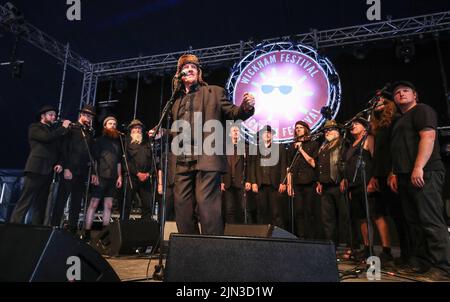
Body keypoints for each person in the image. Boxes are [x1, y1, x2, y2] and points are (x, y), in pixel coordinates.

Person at [166, 54, 255, 235]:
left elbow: (232, 112)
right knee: (182, 209)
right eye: (186, 67)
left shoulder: (214, 92)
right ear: (179, 75)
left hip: (206, 157)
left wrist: (246, 107)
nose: (190, 69)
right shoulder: (175, 102)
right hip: (182, 160)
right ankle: (191, 249)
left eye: (193, 67)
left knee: (207, 208)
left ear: (199, 73)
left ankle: (212, 252)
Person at [389, 81, 450, 279]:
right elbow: (397, 149)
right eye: (397, 92)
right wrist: (394, 173)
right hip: (405, 176)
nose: (400, 94)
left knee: (431, 221)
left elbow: (428, 138)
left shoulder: (422, 110)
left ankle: (443, 267)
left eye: (405, 90)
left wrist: (418, 167)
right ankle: (422, 263)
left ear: (415, 95)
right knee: (414, 223)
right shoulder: (399, 120)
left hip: (426, 172)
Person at [10, 105, 70, 225]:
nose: (54, 117)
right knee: (26, 199)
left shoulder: (53, 131)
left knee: (41, 203)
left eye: (54, 115)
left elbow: (57, 149)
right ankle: (14, 225)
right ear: (43, 116)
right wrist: (63, 128)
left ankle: (36, 228)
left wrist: (59, 163)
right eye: (51, 114)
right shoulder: (35, 127)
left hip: (48, 171)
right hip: (35, 168)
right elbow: (46, 138)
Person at [368, 93, 409, 264]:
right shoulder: (377, 128)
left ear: (388, 103)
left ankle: (409, 254)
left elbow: (397, 149)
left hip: (394, 173)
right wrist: (374, 175)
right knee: (392, 214)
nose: (377, 103)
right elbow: (375, 154)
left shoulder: (396, 120)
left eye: (381, 101)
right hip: (381, 174)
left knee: (402, 215)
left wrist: (393, 171)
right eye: (374, 102)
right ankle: (403, 254)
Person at [51, 104, 95, 233]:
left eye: (90, 116)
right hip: (69, 169)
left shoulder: (89, 133)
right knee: (61, 200)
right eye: (86, 115)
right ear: (81, 115)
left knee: (76, 202)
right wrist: (65, 167)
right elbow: (64, 148)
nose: (88, 118)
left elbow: (89, 154)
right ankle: (54, 228)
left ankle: (72, 229)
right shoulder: (72, 128)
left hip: (82, 172)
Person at [83, 116, 123, 242]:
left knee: (109, 205)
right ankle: (87, 233)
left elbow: (118, 162)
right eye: (110, 123)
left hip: (112, 178)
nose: (113, 125)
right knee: (93, 204)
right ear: (105, 126)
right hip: (100, 176)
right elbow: (94, 159)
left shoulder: (118, 142)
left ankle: (104, 234)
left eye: (115, 124)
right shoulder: (99, 141)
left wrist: (120, 176)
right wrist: (94, 174)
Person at [316, 120, 352, 253]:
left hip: (338, 184)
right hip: (325, 186)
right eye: (326, 130)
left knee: (344, 216)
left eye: (331, 129)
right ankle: (331, 245)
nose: (328, 132)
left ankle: (350, 246)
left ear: (338, 131)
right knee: (327, 218)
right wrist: (319, 181)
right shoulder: (323, 146)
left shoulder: (344, 143)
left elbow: (347, 162)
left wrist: (345, 178)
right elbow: (320, 165)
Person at [287, 121, 320, 239]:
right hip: (297, 183)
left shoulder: (313, 144)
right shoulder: (292, 146)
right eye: (296, 128)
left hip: (309, 182)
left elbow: (313, 163)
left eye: (301, 127)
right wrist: (289, 184)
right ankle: (301, 237)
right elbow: (289, 168)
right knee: (298, 211)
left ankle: (311, 237)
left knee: (309, 211)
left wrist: (301, 150)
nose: (298, 129)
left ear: (306, 129)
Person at [250, 125, 287, 228]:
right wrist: (253, 182)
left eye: (269, 133)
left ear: (272, 135)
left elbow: (284, 165)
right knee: (262, 212)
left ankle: (278, 236)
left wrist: (283, 182)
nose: (267, 134)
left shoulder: (279, 148)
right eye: (264, 133)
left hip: (274, 185)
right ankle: (263, 237)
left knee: (276, 212)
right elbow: (252, 166)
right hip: (261, 184)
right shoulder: (256, 148)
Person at [121, 119, 157, 220]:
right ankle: (124, 227)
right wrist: (137, 173)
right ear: (131, 130)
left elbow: (153, 160)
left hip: (145, 178)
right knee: (126, 204)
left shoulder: (147, 143)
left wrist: (148, 173)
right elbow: (125, 161)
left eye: (139, 128)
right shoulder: (126, 143)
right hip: (131, 178)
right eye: (135, 128)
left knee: (147, 205)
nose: (137, 129)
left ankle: (144, 228)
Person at [221, 124, 252, 224]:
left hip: (240, 181)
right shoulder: (225, 148)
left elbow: (248, 166)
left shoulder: (245, 148)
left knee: (241, 209)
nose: (235, 132)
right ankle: (230, 231)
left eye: (237, 131)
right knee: (229, 209)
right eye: (234, 130)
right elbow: (221, 165)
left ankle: (241, 232)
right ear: (230, 134)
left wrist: (248, 180)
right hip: (228, 181)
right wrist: (221, 181)